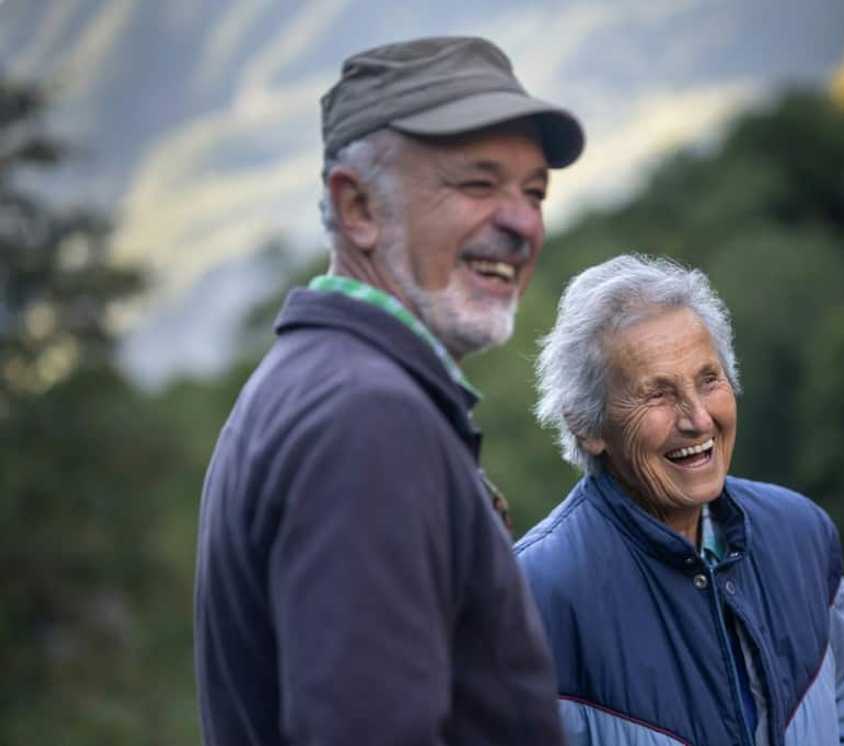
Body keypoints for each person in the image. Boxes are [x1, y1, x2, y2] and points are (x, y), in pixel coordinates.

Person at [194, 36, 583, 745]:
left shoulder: (313, 381)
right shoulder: (368, 419)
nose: (522, 223)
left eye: (534, 192)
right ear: (359, 209)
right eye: (477, 183)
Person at [517, 254, 844, 745]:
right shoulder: (534, 595)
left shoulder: (799, 532)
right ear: (586, 426)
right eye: (657, 394)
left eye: (708, 379)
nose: (697, 418)